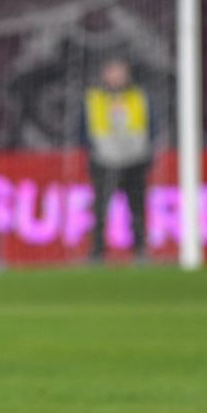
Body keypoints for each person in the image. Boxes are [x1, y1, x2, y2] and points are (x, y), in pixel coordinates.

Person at [85, 57, 152, 261]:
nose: (116, 76)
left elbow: (150, 126)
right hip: (104, 161)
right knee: (101, 209)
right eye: (112, 71)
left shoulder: (137, 96)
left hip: (135, 161)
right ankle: (97, 252)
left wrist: (145, 155)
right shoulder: (94, 97)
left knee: (137, 207)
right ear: (104, 74)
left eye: (120, 71)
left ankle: (140, 251)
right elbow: (83, 129)